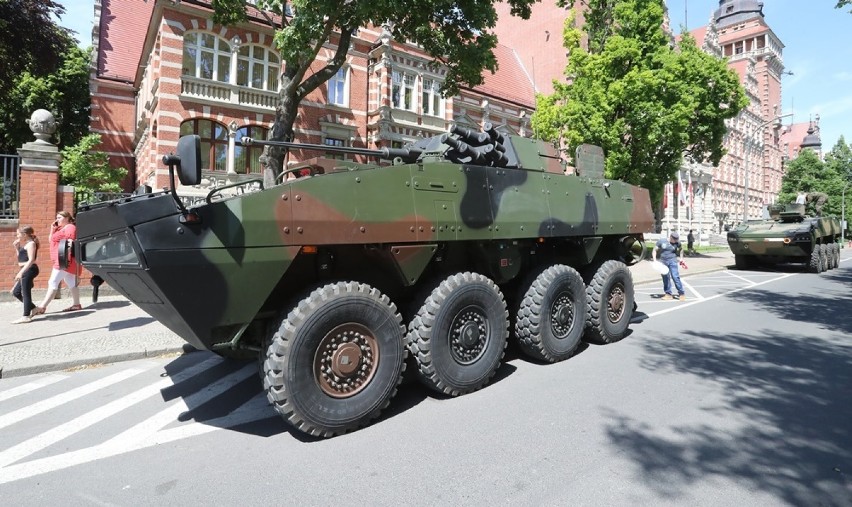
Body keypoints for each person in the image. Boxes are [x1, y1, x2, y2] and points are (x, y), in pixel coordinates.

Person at [33, 210, 82, 315]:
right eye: (57, 217)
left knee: (53, 282)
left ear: (67, 218)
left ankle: (42, 307)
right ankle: (76, 304)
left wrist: (65, 260)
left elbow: (70, 242)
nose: (57, 219)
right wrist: (52, 229)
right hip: (62, 260)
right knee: (70, 281)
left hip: (64, 260)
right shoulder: (60, 229)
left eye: (59, 217)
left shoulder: (70, 227)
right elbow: (51, 240)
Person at [10, 226, 40, 324]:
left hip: (29, 270)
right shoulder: (27, 244)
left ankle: (26, 316)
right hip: (26, 269)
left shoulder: (31, 244)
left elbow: (31, 260)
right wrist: (17, 248)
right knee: (16, 292)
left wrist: (21, 272)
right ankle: (34, 308)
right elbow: (22, 258)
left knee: (25, 292)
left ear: (24, 234)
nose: (17, 236)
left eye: (18, 234)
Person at [652, 231, 686, 301]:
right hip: (663, 262)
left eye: (677, 240)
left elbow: (681, 249)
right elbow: (654, 250)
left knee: (675, 277)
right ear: (670, 237)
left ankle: (681, 293)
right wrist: (655, 260)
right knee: (666, 278)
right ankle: (668, 294)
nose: (676, 241)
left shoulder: (677, 243)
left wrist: (681, 258)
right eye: (674, 240)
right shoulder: (662, 241)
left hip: (673, 261)